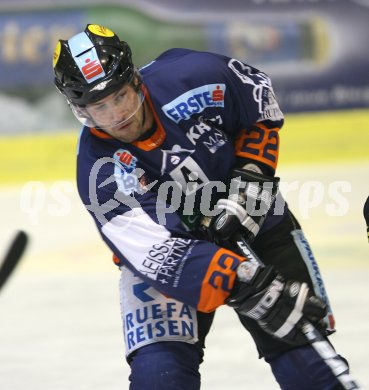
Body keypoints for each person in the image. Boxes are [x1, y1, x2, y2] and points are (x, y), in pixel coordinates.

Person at [53, 24, 353, 389]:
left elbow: (256, 104)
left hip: (259, 224)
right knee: (159, 376)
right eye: (99, 107)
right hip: (172, 263)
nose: (117, 115)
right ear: (79, 110)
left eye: (119, 96)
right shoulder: (98, 173)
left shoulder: (193, 75)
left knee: (303, 360)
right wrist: (248, 285)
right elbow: (160, 255)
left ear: (135, 80)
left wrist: (250, 184)